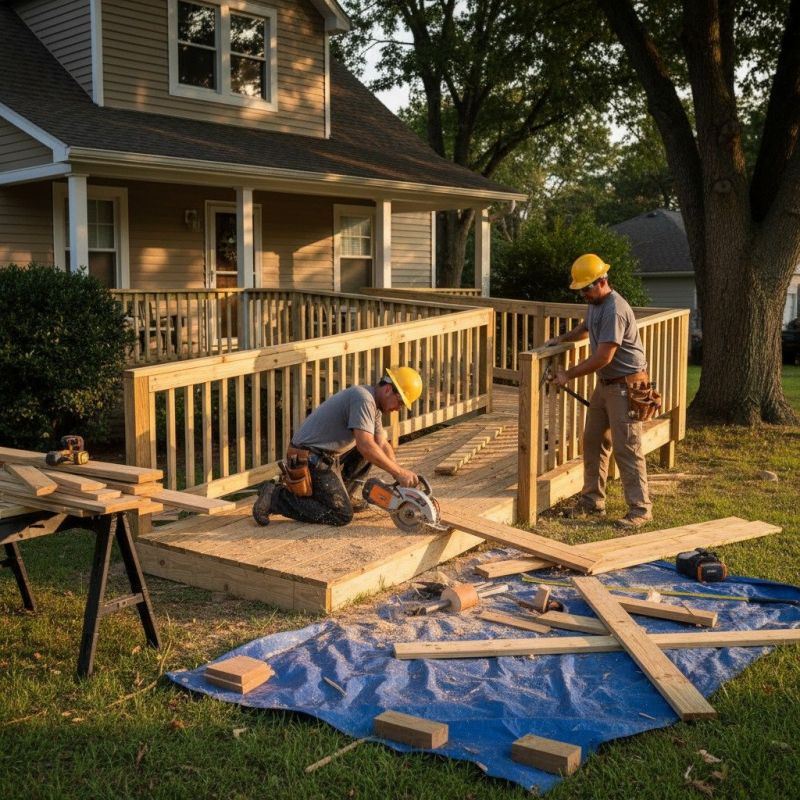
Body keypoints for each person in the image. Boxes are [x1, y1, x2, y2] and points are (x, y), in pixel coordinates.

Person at [545, 253, 655, 529]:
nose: (583, 294)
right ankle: (592, 501)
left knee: (627, 447)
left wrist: (568, 374)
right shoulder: (596, 304)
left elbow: (604, 356)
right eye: (580, 289)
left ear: (602, 281)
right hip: (606, 385)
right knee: (593, 440)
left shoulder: (615, 309)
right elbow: (586, 328)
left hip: (626, 386)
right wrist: (562, 338)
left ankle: (640, 509)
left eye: (586, 288)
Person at [252, 366, 422, 527]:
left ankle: (345, 496)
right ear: (388, 390)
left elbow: (381, 443)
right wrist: (399, 473)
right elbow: (365, 446)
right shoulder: (363, 398)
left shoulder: (373, 405)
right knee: (341, 515)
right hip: (307, 458)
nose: (398, 409)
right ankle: (276, 497)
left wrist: (398, 474)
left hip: (322, 456)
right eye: (400, 403)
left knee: (371, 450)